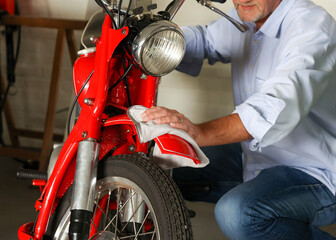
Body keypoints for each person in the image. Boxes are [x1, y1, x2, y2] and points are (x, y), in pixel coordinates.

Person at [141, 0, 336, 239]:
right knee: (158, 168)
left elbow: (277, 104)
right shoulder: (247, 17)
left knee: (238, 213)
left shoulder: (311, 26)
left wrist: (198, 133)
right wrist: (154, 37)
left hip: (316, 171)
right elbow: (204, 40)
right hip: (255, 158)